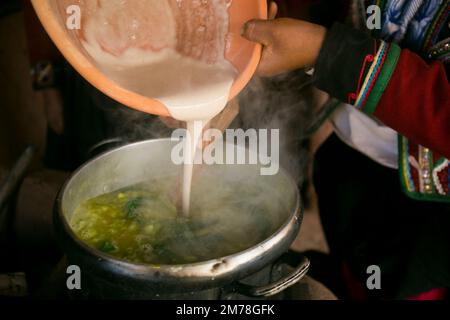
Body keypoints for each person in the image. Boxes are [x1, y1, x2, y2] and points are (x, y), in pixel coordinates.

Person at [242, 0, 450, 299]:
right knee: (356, 262)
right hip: (351, 145)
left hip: (429, 210)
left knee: (400, 285)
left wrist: (328, 54)